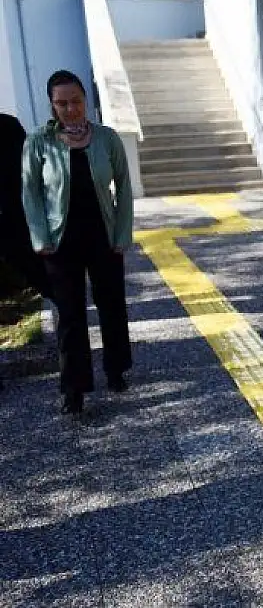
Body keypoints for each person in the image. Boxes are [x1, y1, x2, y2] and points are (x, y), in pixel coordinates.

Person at [22, 70, 134, 415]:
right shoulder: (39, 142)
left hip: (103, 235)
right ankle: (74, 389)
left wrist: (121, 235)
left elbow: (125, 189)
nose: (70, 109)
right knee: (70, 314)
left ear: (86, 100)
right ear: (52, 105)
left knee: (112, 305)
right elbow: (31, 194)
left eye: (76, 101)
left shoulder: (107, 138)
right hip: (60, 242)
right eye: (62, 103)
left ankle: (115, 369)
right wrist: (39, 238)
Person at [2, 113, 52, 302]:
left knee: (35, 263)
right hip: (8, 221)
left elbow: (29, 167)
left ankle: (56, 295)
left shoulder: (8, 125)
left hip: (22, 211)